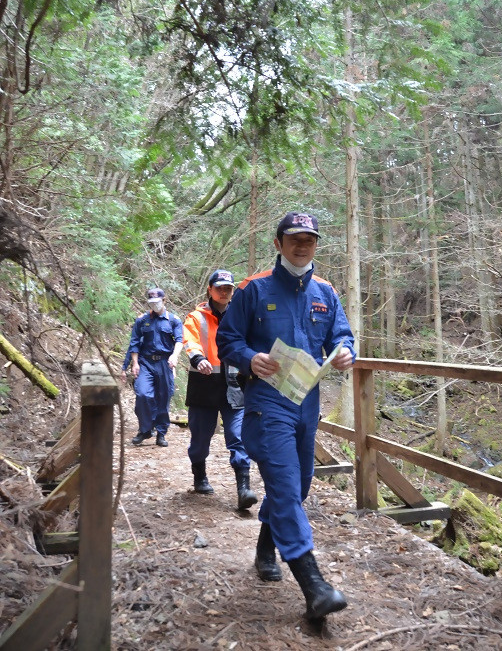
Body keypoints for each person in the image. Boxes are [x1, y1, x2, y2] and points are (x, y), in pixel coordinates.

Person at [217, 213, 356, 621]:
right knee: (283, 480)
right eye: (294, 239)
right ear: (278, 243)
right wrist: (249, 357)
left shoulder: (326, 293)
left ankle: (265, 547)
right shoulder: (253, 290)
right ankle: (314, 585)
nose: (302, 246)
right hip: (267, 400)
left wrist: (346, 351)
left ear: (316, 245)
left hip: (307, 400)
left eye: (309, 239)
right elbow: (227, 339)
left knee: (300, 485)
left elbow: (341, 336)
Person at [183, 270, 258, 511]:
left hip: (234, 386)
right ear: (210, 289)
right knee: (200, 439)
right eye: (220, 287)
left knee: (238, 437)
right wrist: (197, 358)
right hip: (203, 386)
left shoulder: (241, 315)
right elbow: (190, 341)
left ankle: (243, 488)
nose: (224, 292)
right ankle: (199, 476)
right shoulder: (196, 317)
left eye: (229, 288)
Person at [124, 287, 183, 447]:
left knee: (163, 398)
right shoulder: (142, 320)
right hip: (145, 362)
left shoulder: (173, 320)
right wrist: (135, 363)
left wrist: (174, 356)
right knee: (143, 394)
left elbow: (179, 340)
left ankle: (161, 433)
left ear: (164, 301)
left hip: (165, 362)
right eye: (151, 303)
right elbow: (134, 342)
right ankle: (145, 429)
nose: (154, 305)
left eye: (157, 302)